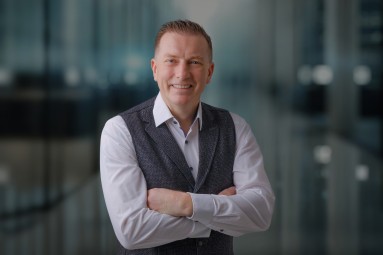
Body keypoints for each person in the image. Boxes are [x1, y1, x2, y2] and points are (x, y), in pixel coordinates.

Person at [100, 19, 275, 255]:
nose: (182, 73)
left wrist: (184, 204)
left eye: (194, 62)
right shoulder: (120, 130)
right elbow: (131, 231)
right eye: (171, 61)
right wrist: (215, 215)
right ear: (155, 69)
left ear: (209, 72)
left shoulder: (235, 127)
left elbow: (261, 212)